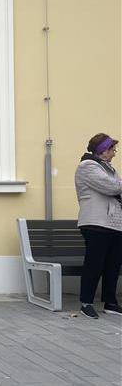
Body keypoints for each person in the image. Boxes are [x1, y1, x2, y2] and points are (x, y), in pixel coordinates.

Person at [75, 133, 122, 319]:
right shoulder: (87, 167)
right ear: (103, 151)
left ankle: (110, 302)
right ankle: (86, 303)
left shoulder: (108, 168)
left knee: (113, 264)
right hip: (95, 223)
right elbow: (111, 188)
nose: (115, 153)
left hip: (114, 223)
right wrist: (118, 184)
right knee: (94, 264)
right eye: (113, 149)